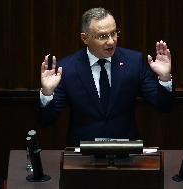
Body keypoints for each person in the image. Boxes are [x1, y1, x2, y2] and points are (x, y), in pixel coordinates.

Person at [36, 7, 173, 146]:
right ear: (85, 38)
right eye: (103, 36)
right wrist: (47, 93)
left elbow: (164, 106)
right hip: (82, 156)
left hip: (126, 152)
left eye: (113, 33)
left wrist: (164, 77)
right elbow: (46, 120)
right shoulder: (67, 68)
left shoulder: (134, 62)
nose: (111, 41)